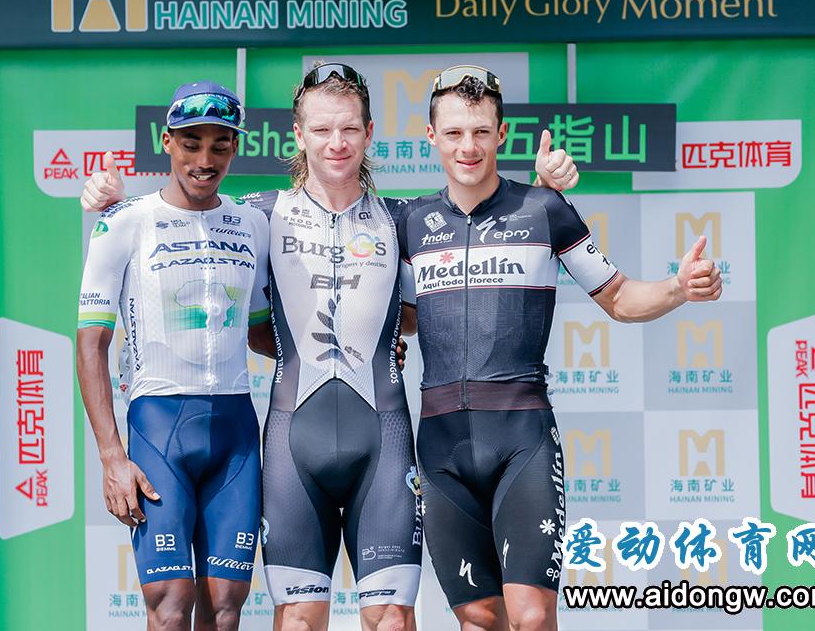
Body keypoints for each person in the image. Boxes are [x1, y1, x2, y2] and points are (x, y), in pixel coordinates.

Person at [81, 63, 580, 631]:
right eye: (321, 129)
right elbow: (186, 214)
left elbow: (474, 234)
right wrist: (113, 201)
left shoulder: (407, 218)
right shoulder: (256, 216)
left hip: (383, 441)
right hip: (294, 441)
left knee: (392, 620)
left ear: (369, 134)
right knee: (296, 619)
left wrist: (543, 189)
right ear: (299, 135)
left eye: (348, 129)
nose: (336, 142)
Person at [396, 65, 723, 631]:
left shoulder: (543, 210)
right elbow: (401, 321)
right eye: (453, 133)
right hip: (441, 445)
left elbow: (618, 296)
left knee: (531, 614)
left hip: (521, 437)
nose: (468, 146)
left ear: (502, 134)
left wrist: (678, 287)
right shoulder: (411, 222)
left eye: (480, 131)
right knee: (478, 618)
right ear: (431, 136)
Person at [77, 81, 270, 631]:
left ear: (235, 148)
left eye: (219, 145)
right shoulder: (123, 221)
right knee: (168, 606)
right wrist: (111, 457)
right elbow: (91, 342)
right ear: (167, 142)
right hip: (159, 426)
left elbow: (262, 334)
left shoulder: (253, 224)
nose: (204, 160)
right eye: (190, 144)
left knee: (226, 609)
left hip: (235, 430)